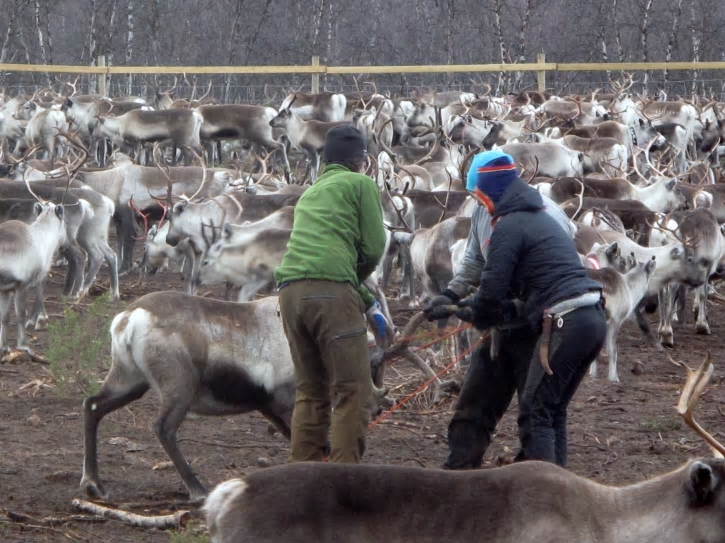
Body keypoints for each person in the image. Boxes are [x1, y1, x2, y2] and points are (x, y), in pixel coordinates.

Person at [425, 150, 607, 469]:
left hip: (542, 323)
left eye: (478, 195)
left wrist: (475, 311)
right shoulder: (490, 210)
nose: (477, 202)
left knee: (537, 411)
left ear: (488, 190)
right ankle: (460, 472)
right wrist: (452, 294)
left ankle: (541, 491)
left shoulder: (536, 215)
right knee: (480, 400)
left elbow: (541, 273)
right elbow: (476, 262)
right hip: (512, 317)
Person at [275, 125, 391, 464]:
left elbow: (317, 260)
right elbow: (373, 248)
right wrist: (357, 290)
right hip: (332, 295)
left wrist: (367, 303)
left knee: (310, 391)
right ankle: (343, 488)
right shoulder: (361, 184)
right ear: (364, 162)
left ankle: (301, 483)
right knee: (352, 391)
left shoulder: (311, 192)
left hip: (290, 294)